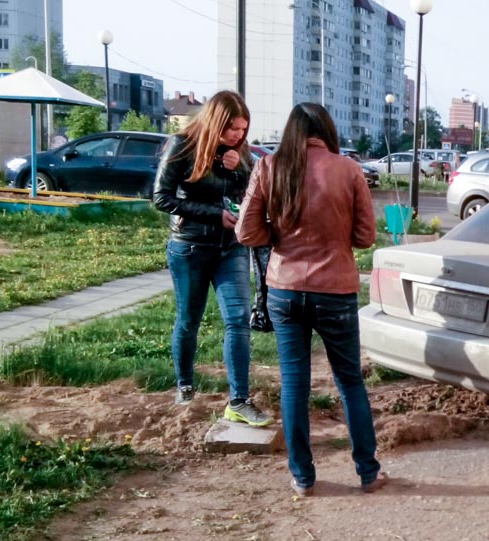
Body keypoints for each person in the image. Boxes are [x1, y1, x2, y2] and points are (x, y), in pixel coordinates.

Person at [236, 103, 385, 495]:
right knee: (350, 380)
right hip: (335, 289)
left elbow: (246, 232)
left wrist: (279, 238)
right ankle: (368, 471)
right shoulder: (348, 169)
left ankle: (302, 477)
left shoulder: (270, 167)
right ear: (326, 130)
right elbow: (366, 236)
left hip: (284, 290)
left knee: (294, 384)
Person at [153, 90, 271, 427]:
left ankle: (239, 400)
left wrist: (238, 171)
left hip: (231, 247)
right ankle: (185, 386)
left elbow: (250, 193)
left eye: (243, 130)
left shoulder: (240, 153)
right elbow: (161, 198)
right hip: (189, 246)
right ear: (215, 121)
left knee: (237, 319)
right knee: (189, 318)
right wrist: (211, 214)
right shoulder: (182, 146)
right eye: (233, 128)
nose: (238, 135)